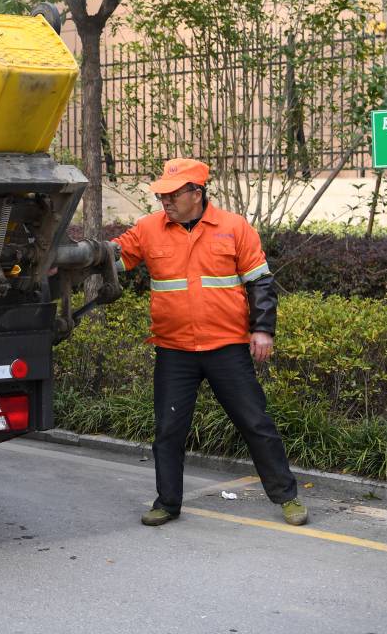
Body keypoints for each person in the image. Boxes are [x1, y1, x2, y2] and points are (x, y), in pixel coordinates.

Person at [113, 158, 307, 527]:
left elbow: (260, 282)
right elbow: (112, 257)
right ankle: (167, 503)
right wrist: (68, 260)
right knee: (168, 431)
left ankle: (288, 497)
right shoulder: (147, 229)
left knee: (255, 423)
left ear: (196, 193)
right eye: (161, 195)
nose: (164, 201)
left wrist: (262, 329)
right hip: (174, 350)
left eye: (172, 194)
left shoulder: (233, 227)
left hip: (227, 348)